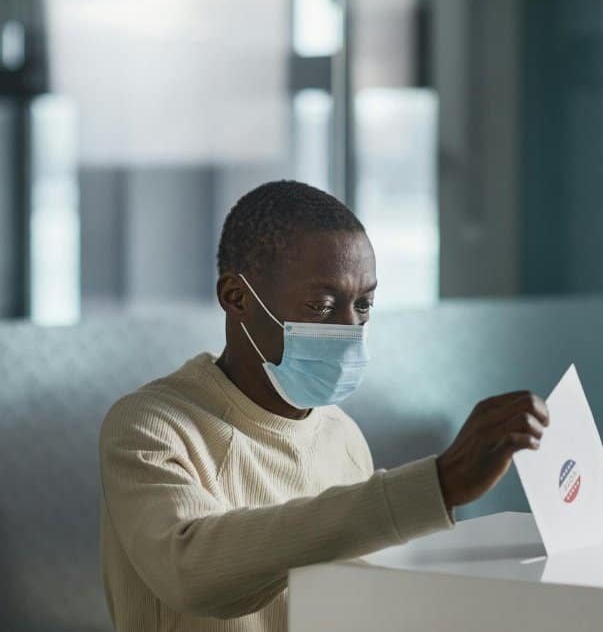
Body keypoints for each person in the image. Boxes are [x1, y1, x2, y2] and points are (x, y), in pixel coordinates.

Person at [99, 181, 549, 632]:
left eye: (363, 304)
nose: (350, 328)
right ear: (237, 297)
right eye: (321, 305)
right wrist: (437, 485)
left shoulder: (343, 437)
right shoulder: (151, 426)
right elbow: (190, 572)